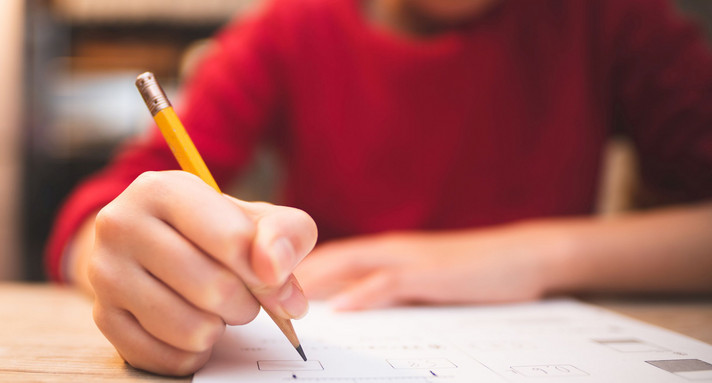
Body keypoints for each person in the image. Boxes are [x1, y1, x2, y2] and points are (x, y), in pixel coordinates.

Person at [47, 0, 712, 376]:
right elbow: (100, 213)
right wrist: (121, 256)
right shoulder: (288, 31)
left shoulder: (609, 21)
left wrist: (538, 256)